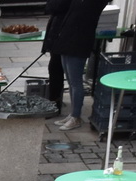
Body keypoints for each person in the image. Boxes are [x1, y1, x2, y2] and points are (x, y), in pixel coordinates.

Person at [48, 0, 105, 130]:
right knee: (70, 80)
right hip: (66, 38)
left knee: (75, 81)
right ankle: (72, 114)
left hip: (79, 41)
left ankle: (76, 117)